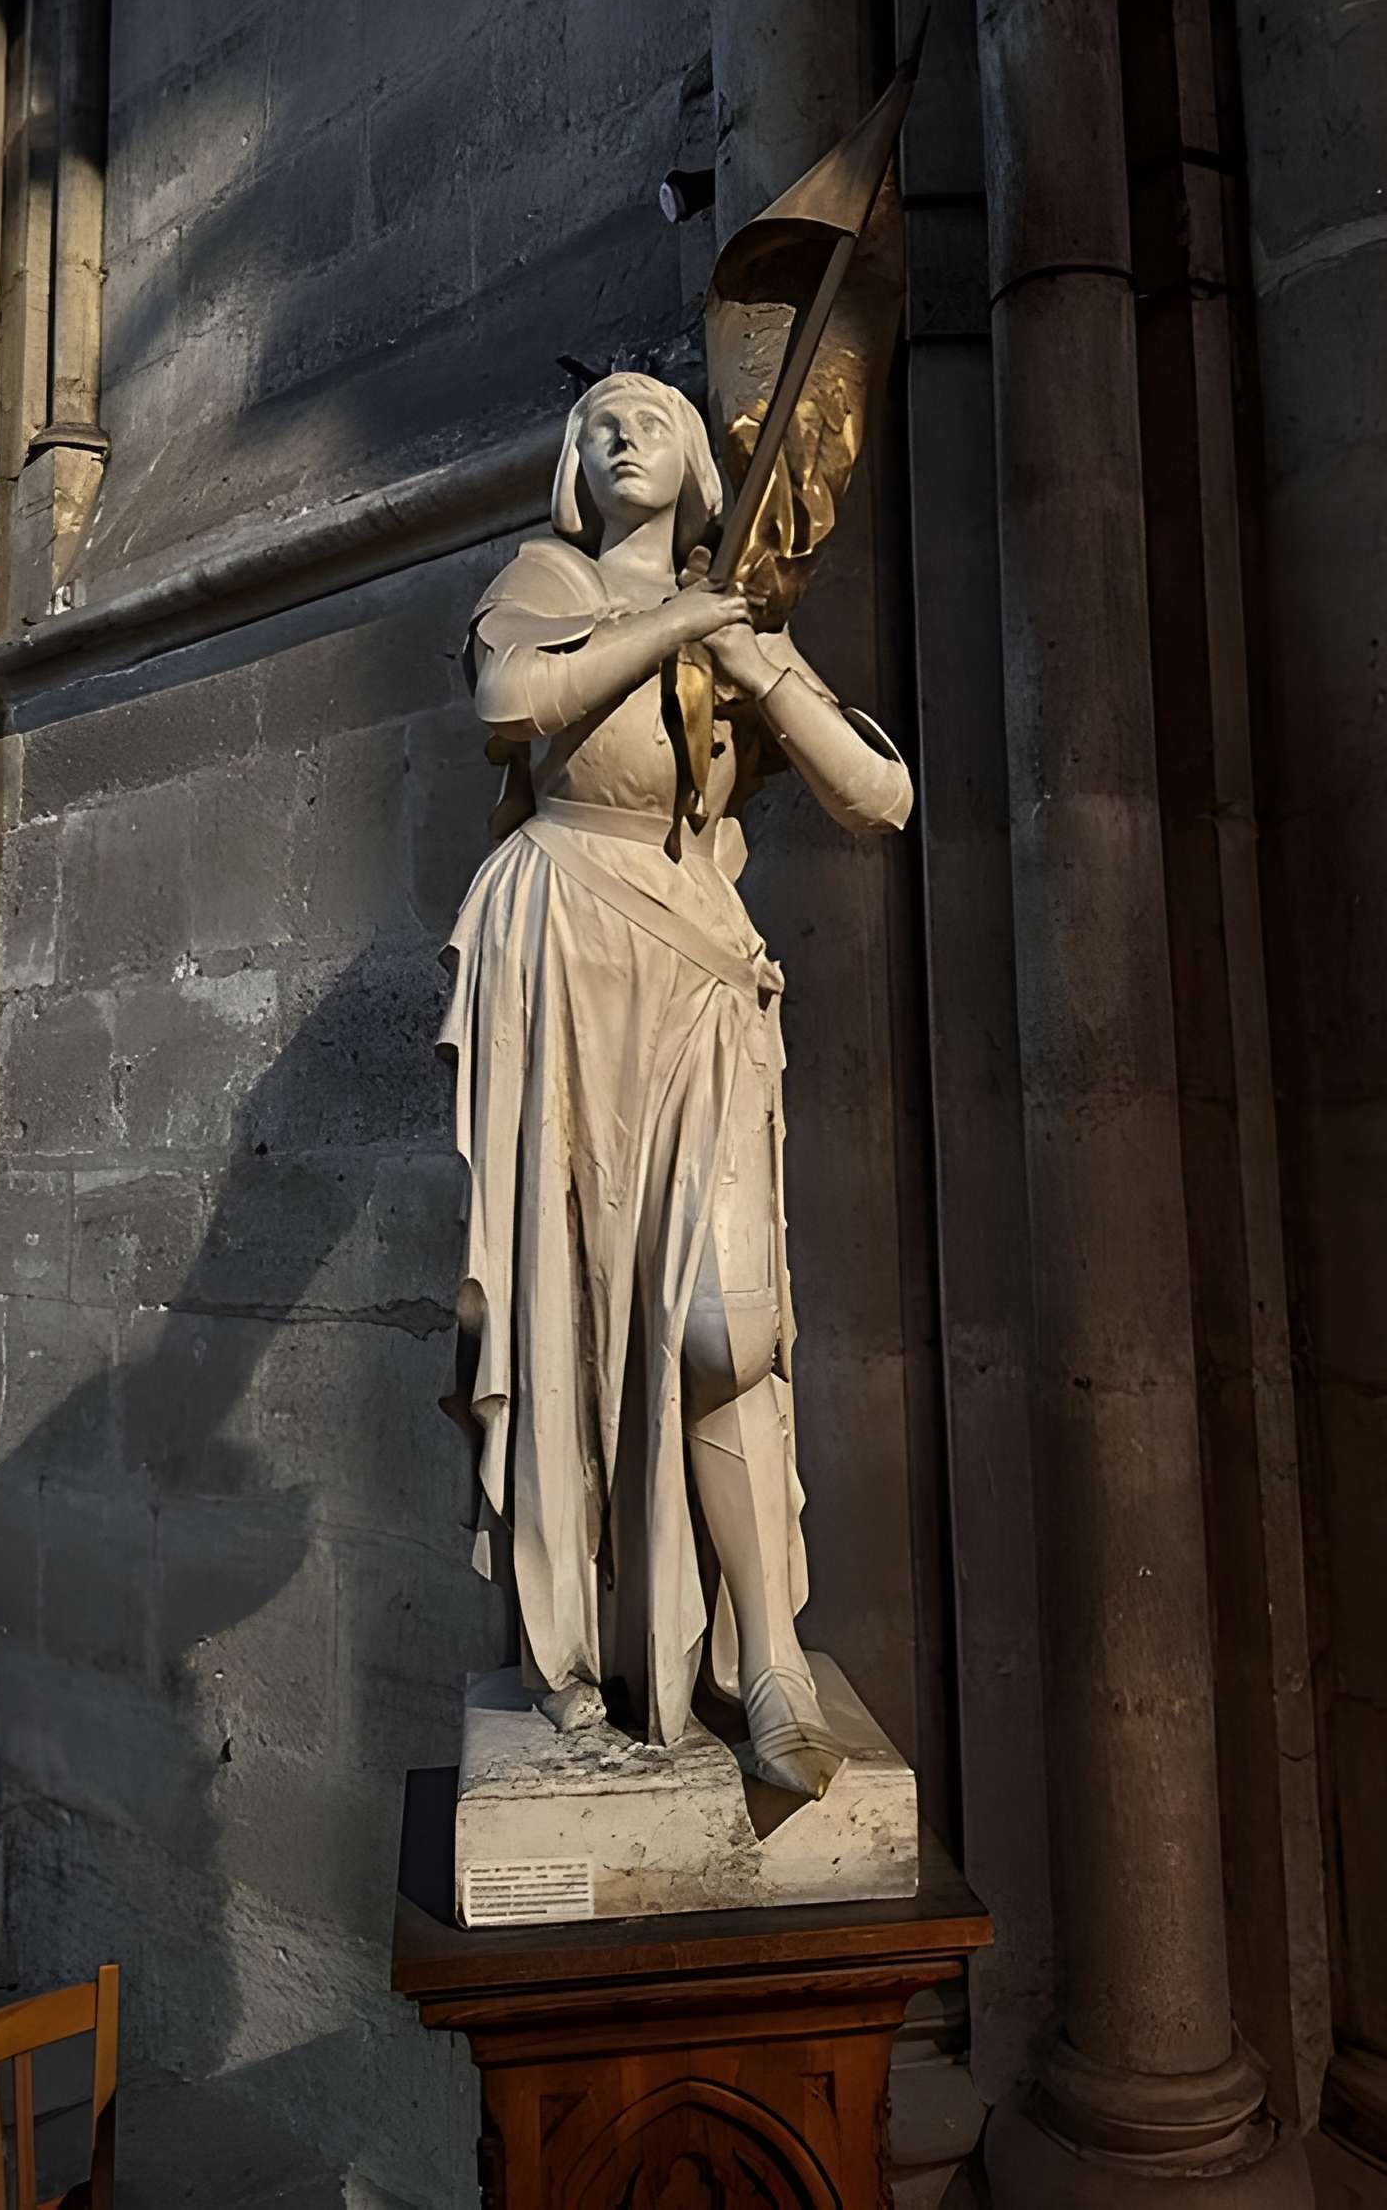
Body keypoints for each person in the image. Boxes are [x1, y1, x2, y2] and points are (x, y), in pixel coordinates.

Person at [439, 371, 911, 1798]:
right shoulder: (539, 577)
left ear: (704, 462)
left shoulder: (729, 627)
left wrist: (754, 656)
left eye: (649, 412)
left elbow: (878, 798)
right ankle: (594, 1652)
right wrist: (672, 621)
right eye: (592, 419)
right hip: (565, 953)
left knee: (728, 1325)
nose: (618, 428)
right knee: (575, 1319)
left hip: (696, 976)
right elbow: (511, 698)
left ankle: (767, 1654)